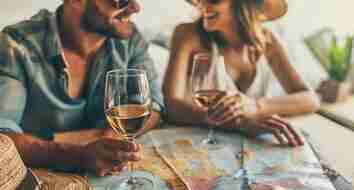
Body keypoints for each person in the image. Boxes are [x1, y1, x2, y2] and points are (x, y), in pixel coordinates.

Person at [0, 0, 164, 176]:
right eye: (120, 1)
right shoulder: (15, 44)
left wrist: (110, 139)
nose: (135, 8)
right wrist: (77, 156)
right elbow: (2, 137)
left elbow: (153, 105)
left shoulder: (129, 38)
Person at [163, 0, 320, 147]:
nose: (203, 4)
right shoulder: (187, 34)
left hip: (250, 148)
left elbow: (310, 99)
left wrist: (256, 106)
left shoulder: (267, 41)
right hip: (201, 144)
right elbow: (171, 105)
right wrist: (238, 122)